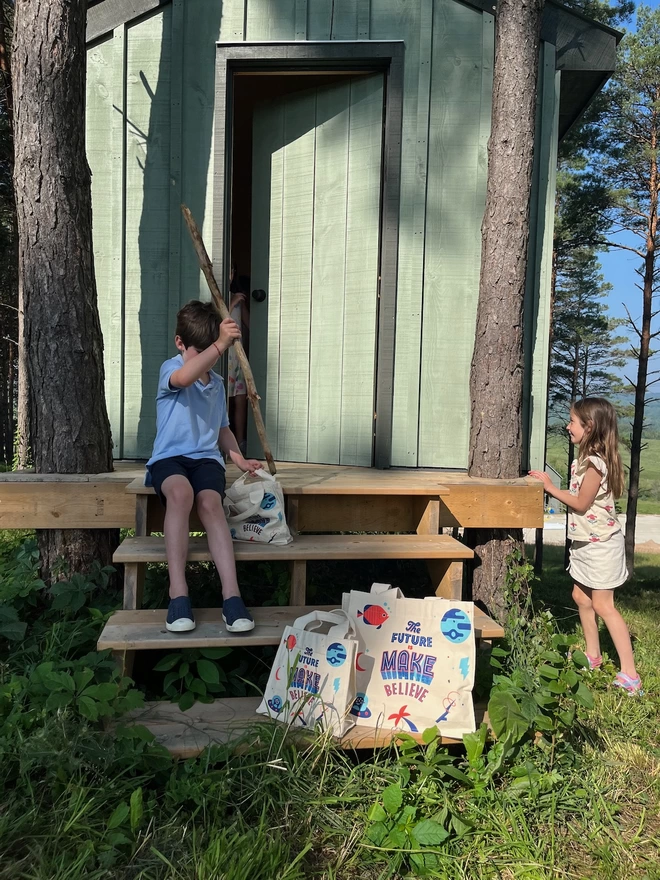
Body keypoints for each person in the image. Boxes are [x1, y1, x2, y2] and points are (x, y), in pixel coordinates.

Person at [146, 300, 262, 634]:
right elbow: (183, 378)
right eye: (201, 349)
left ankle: (231, 596)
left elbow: (222, 427)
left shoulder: (215, 383)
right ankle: (178, 592)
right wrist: (220, 345)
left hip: (205, 459)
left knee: (211, 503)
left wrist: (238, 457)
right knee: (180, 493)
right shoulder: (170, 369)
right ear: (179, 343)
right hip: (169, 458)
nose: (208, 355)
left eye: (213, 349)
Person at [529, 398, 643, 695]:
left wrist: (551, 488)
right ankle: (593, 656)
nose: (568, 426)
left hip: (602, 545)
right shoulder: (583, 459)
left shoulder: (595, 463)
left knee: (604, 605)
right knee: (580, 596)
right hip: (585, 542)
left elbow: (580, 502)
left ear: (589, 427)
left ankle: (630, 674)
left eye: (572, 422)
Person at [228, 273, 250, 454]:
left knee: (240, 397)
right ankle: (225, 446)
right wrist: (231, 303)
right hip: (222, 355)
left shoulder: (239, 299)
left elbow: (249, 324)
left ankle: (241, 441)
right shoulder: (216, 298)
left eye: (232, 270)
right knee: (223, 399)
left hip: (237, 355)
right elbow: (213, 321)